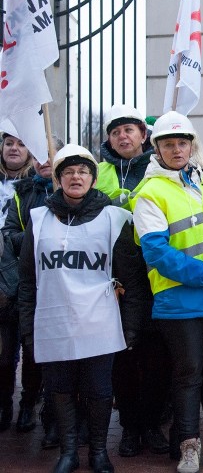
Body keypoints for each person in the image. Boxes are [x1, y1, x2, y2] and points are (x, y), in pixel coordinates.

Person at [17, 144, 147, 473]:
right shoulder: (38, 219)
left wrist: (130, 326)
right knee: (59, 388)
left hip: (100, 321)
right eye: (69, 172)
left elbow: (130, 278)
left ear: (93, 178)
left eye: (83, 171)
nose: (76, 176)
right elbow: (27, 280)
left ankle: (99, 452)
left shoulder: (115, 219)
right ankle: (69, 451)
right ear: (59, 179)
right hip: (54, 320)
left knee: (100, 389)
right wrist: (28, 328)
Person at [132, 111, 203, 473]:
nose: (177, 149)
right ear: (158, 149)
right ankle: (188, 446)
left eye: (183, 142)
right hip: (181, 301)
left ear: (192, 145)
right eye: (169, 143)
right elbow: (157, 254)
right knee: (188, 374)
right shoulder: (149, 193)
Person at [96, 103, 171, 457]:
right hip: (115, 282)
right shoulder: (97, 172)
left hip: (155, 275)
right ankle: (129, 427)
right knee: (123, 359)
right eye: (115, 131)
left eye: (129, 129)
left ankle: (154, 424)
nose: (122, 136)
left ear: (144, 134)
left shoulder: (161, 170)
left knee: (157, 357)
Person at [1, 139, 63, 449]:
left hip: (55, 286)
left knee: (40, 354)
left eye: (48, 154)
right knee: (14, 346)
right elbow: (11, 232)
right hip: (20, 283)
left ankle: (30, 405)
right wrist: (35, 237)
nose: (43, 161)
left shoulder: (66, 188)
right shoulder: (22, 192)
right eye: (39, 156)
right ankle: (7, 405)